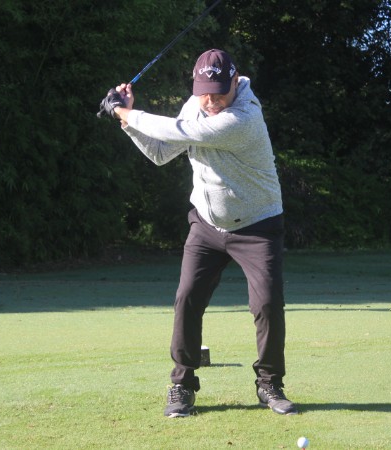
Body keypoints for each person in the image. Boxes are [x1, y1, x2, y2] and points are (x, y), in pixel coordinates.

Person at [99, 49, 297, 417]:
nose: (211, 102)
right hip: (206, 223)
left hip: (258, 225)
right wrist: (127, 122)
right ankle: (182, 384)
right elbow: (161, 152)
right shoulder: (195, 106)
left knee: (267, 303)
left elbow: (183, 131)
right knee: (187, 298)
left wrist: (124, 112)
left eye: (219, 93)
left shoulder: (244, 118)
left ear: (235, 81)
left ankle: (269, 383)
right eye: (205, 93)